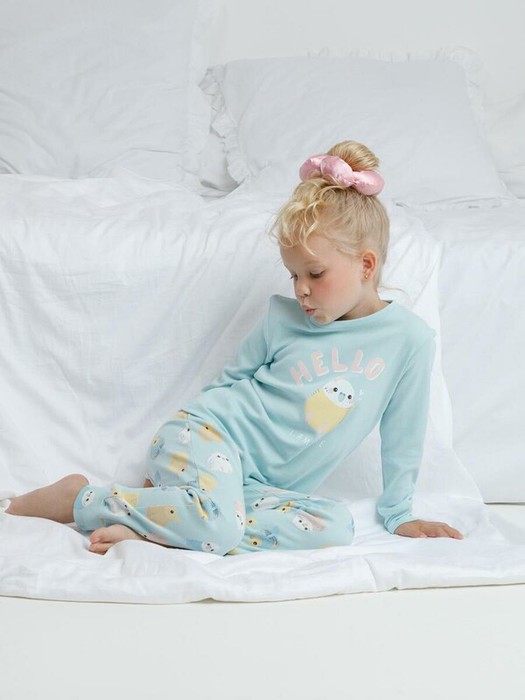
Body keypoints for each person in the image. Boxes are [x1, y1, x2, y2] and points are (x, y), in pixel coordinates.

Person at [2, 140, 464, 555]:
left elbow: (403, 435)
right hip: (206, 436)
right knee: (221, 525)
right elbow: (230, 383)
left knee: (335, 525)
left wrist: (400, 514)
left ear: (366, 265)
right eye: (294, 275)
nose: (301, 289)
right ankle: (81, 499)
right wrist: (167, 472)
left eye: (315, 274)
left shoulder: (409, 341)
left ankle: (164, 522)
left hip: (255, 488)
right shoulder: (282, 318)